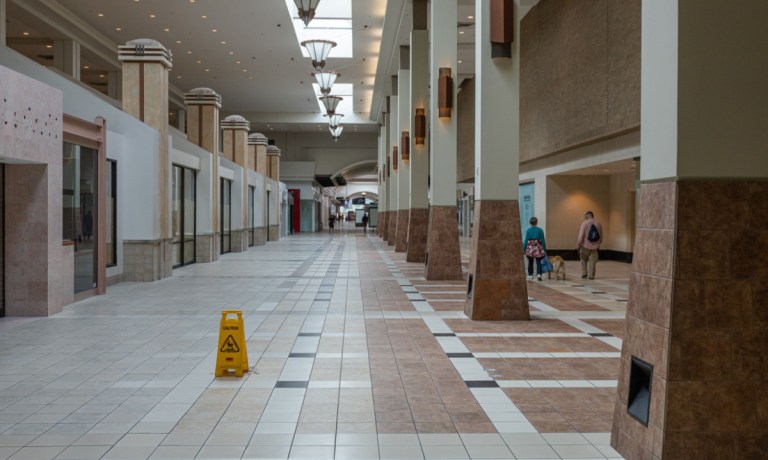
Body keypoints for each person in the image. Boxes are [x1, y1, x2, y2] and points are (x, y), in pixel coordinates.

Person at [577, 211, 603, 279]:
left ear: (587, 216)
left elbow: (581, 236)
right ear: (592, 216)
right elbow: (601, 237)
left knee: (583, 259)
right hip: (595, 247)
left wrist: (579, 244)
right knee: (592, 261)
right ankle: (591, 275)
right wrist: (598, 244)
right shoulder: (598, 224)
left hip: (585, 246)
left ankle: (584, 273)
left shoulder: (584, 223)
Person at [522, 216, 547, 281]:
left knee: (530, 262)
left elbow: (525, 241)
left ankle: (530, 275)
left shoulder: (528, 230)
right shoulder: (540, 230)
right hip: (538, 248)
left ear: (530, 223)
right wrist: (544, 249)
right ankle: (539, 274)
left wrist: (524, 249)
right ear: (536, 222)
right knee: (539, 261)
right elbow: (543, 241)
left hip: (530, 248)